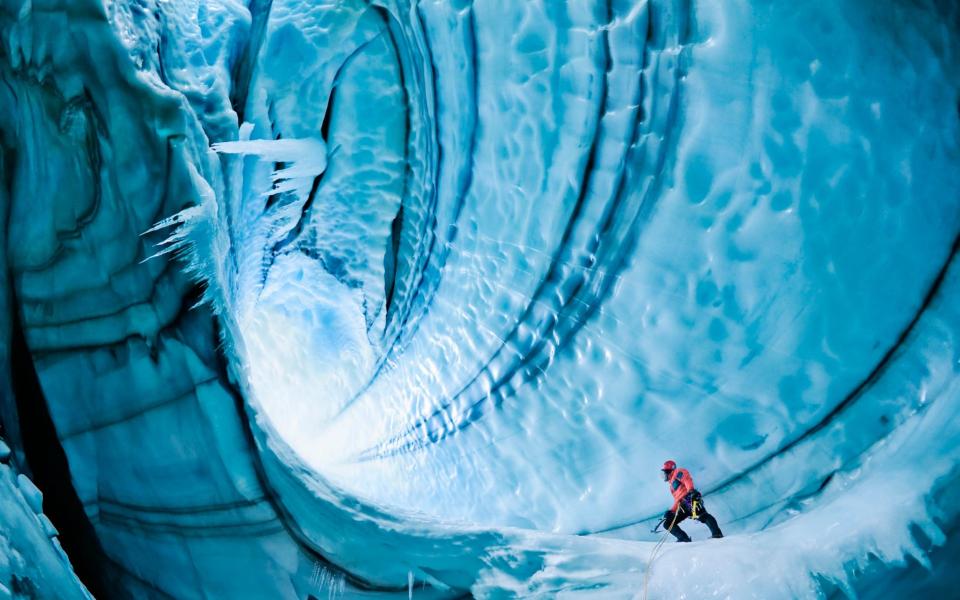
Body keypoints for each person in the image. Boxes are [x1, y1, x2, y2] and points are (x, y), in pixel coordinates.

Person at [660, 460, 723, 542]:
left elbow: (686, 479)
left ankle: (717, 534)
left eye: (664, 473)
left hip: (689, 499)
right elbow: (677, 500)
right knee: (667, 523)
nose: (664, 476)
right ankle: (683, 539)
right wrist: (671, 511)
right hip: (682, 506)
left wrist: (691, 492)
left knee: (703, 516)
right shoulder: (671, 487)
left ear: (669, 471)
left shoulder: (677, 472)